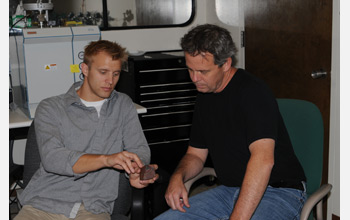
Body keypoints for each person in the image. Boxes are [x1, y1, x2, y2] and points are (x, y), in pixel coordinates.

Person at [154, 24, 306, 220]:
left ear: (226, 63)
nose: (194, 78)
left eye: (203, 71)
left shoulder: (253, 93)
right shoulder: (205, 95)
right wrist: (178, 177)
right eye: (190, 69)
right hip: (230, 190)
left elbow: (263, 161)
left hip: (279, 191)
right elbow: (196, 155)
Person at [15, 40, 158, 220]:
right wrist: (107, 160)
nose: (110, 81)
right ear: (85, 69)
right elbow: (53, 158)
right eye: (103, 72)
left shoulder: (124, 105)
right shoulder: (51, 107)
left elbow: (140, 149)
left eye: (116, 74)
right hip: (44, 203)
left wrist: (136, 169)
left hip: (94, 208)